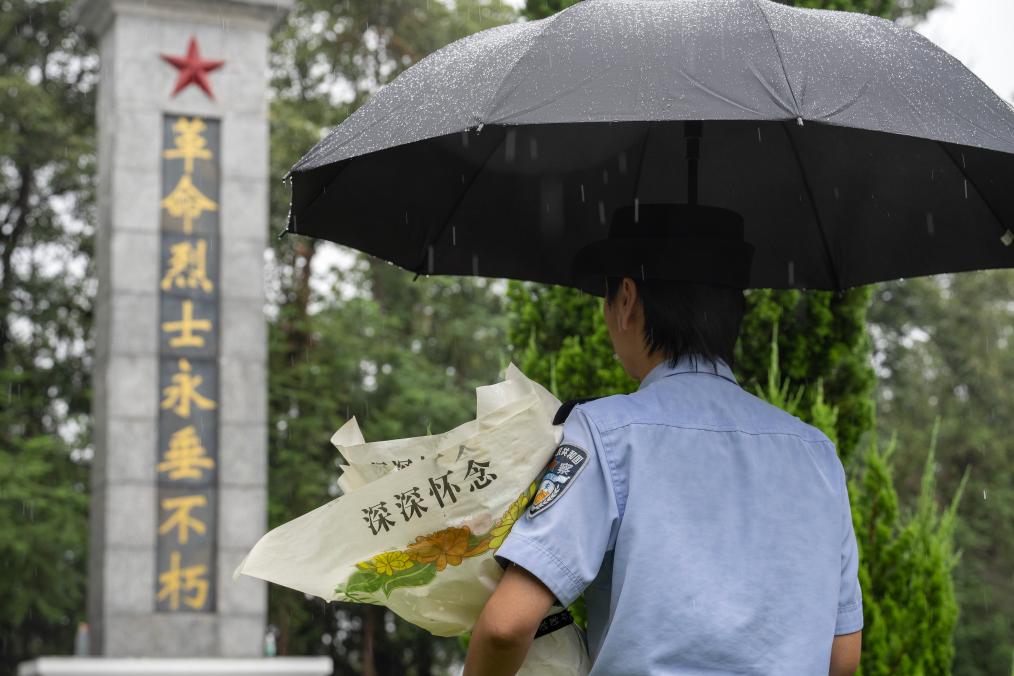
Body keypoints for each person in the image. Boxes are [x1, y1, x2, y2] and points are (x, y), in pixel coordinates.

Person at [463, 203, 863, 675]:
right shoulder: (816, 454)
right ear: (733, 312)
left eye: (608, 297)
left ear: (627, 299)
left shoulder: (605, 432)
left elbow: (506, 626)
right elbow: (842, 657)